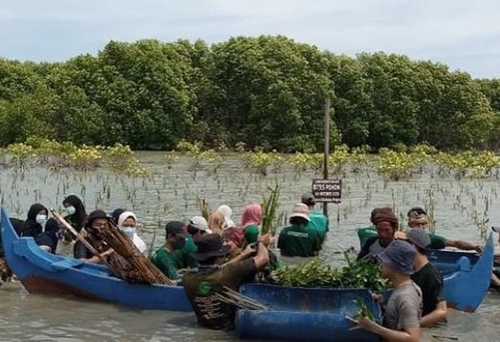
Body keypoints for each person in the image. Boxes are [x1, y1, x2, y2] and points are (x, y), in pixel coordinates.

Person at [183, 233, 270, 330]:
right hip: (228, 330)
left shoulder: (187, 278)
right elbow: (263, 259)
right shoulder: (229, 274)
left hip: (203, 327)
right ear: (219, 258)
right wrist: (262, 242)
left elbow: (217, 269)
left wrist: (243, 254)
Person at [347, 240, 421, 342]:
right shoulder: (406, 288)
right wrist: (383, 303)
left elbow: (413, 338)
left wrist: (373, 327)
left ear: (394, 265)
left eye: (384, 261)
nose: (380, 264)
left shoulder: (406, 296)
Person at [406, 228, 447, 327]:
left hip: (432, 328)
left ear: (413, 246)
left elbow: (442, 311)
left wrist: (413, 325)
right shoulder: (410, 270)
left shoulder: (431, 274)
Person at [407, 207, 482, 252]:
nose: (420, 227)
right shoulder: (403, 237)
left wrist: (474, 247)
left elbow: (455, 243)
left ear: (426, 225)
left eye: (423, 224)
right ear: (410, 225)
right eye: (417, 224)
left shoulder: (430, 239)